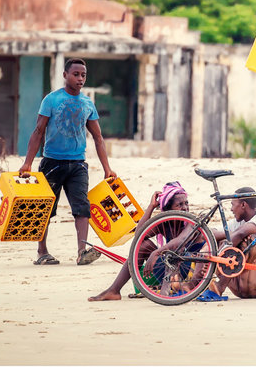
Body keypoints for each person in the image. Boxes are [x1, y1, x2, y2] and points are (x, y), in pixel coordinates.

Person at [18, 58, 115, 266]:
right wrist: (27, 163)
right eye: (76, 74)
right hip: (52, 162)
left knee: (82, 207)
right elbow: (38, 131)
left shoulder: (88, 103)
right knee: (45, 209)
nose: (80, 79)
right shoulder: (51, 100)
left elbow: (98, 138)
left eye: (83, 75)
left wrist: (107, 168)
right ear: (65, 75)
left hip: (78, 164)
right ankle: (42, 252)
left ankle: (82, 251)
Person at [88, 182, 189, 302]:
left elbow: (179, 241)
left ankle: (168, 288)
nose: (185, 208)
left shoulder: (191, 222)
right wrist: (151, 206)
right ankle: (114, 290)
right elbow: (139, 235)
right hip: (166, 268)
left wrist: (156, 252)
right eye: (179, 205)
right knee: (142, 245)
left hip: (187, 272)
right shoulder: (164, 223)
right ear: (168, 208)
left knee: (170, 253)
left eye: (186, 203)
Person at [199, 187, 256, 300]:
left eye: (233, 205)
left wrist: (216, 261)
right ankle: (192, 287)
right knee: (220, 239)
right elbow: (209, 233)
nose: (231, 209)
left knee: (242, 240)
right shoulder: (238, 222)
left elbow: (241, 233)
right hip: (241, 286)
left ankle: (219, 287)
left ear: (243, 205)